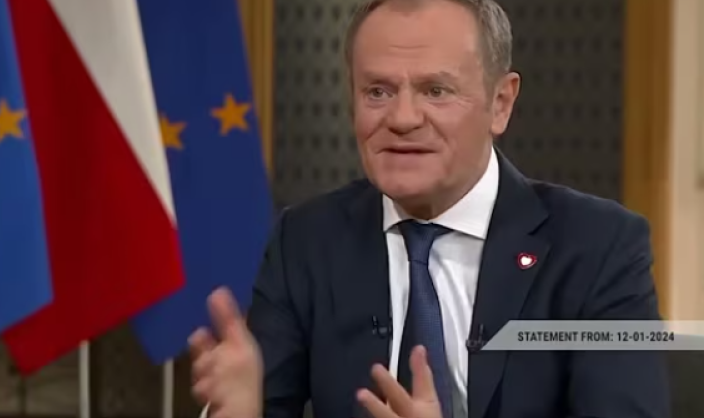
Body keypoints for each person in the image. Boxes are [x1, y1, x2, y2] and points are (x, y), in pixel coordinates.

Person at [189, 0, 671, 417]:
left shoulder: (599, 249)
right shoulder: (305, 242)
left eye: (435, 91)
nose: (402, 118)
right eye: (378, 91)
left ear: (500, 103)